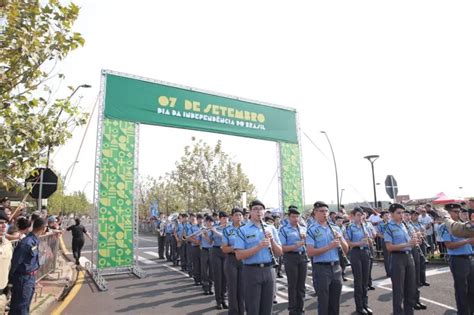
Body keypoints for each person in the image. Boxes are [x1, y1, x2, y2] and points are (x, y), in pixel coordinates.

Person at [234, 200, 282, 315]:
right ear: (250, 211)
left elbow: (279, 252)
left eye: (261, 209)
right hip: (251, 271)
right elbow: (239, 255)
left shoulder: (271, 228)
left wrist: (272, 241)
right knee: (253, 309)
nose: (259, 211)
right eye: (255, 209)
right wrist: (259, 246)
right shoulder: (242, 230)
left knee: (267, 309)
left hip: (269, 270)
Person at [306, 201, 349, 315]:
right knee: (324, 301)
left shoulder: (335, 228)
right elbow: (310, 252)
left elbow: (346, 249)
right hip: (321, 268)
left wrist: (340, 239)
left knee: (335, 302)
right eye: (321, 211)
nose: (324, 213)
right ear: (315, 213)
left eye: (326, 211)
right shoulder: (311, 230)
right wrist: (329, 246)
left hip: (336, 267)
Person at [440, 203, 474, 315]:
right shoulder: (445, 227)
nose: (458, 213)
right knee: (461, 290)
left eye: (459, 211)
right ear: (448, 213)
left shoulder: (462, 225)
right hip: (458, 259)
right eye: (455, 211)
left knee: (472, 288)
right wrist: (467, 241)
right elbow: (449, 245)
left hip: (469, 258)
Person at [384, 204, 418, 315]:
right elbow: (389, 247)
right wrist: (407, 244)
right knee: (398, 290)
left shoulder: (406, 226)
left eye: (402, 213)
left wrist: (416, 242)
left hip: (409, 257)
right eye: (399, 213)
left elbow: (411, 243)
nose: (402, 215)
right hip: (397, 258)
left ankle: (409, 312)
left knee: (410, 288)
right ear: (392, 214)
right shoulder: (389, 227)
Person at [9, 217, 47, 314]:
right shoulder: (26, 243)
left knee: (24, 306)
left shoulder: (34, 241)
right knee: (20, 308)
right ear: (43, 228)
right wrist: (11, 280)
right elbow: (15, 262)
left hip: (30, 278)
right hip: (23, 279)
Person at [279, 207, 308, 315]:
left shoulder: (303, 228)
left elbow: (309, 243)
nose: (295, 219)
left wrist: (305, 240)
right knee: (293, 285)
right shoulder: (284, 229)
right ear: (288, 217)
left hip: (302, 257)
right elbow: (282, 248)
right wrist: (295, 246)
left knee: (301, 285)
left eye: (297, 216)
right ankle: (293, 310)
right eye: (293, 216)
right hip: (290, 257)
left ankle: (300, 309)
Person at [345, 208, 373, 315]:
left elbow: (370, 241)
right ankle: (359, 306)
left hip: (366, 252)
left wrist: (369, 240)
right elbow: (348, 243)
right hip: (356, 253)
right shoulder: (350, 227)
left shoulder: (366, 226)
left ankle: (365, 304)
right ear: (353, 216)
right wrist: (359, 243)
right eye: (357, 215)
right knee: (358, 280)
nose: (360, 217)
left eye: (361, 215)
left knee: (365, 280)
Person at [222, 208, 245, 315]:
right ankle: (233, 312)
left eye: (240, 215)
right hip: (231, 260)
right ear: (232, 217)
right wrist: (236, 248)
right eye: (236, 215)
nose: (238, 217)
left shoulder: (246, 228)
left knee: (242, 288)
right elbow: (224, 248)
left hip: (244, 260)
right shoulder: (227, 230)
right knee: (232, 288)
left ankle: (242, 311)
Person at [209, 211, 229, 309]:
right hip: (216, 251)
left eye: (226, 218)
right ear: (220, 219)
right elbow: (210, 241)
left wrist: (214, 231)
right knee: (218, 277)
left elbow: (225, 237)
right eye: (224, 218)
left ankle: (224, 299)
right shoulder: (215, 227)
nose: (226, 220)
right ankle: (218, 301)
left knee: (225, 277)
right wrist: (205, 234)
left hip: (226, 252)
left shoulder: (229, 228)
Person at [0, 211, 13, 314]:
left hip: (1, 295)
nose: (4, 226)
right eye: (0, 222)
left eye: (5, 222)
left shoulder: (7, 244)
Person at [200, 216, 214, 296]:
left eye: (210, 222)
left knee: (211, 270)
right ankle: (205, 287)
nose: (209, 223)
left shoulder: (213, 231)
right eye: (208, 221)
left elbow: (210, 242)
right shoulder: (203, 229)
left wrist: (206, 235)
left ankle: (210, 287)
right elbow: (198, 240)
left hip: (211, 250)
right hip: (204, 250)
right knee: (204, 270)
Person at [377, 211, 391, 277]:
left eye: (388, 215)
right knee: (387, 257)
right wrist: (385, 237)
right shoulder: (380, 224)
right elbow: (379, 233)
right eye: (386, 215)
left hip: (393, 242)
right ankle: (388, 272)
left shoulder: (391, 223)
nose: (387, 216)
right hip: (385, 241)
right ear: (382, 216)